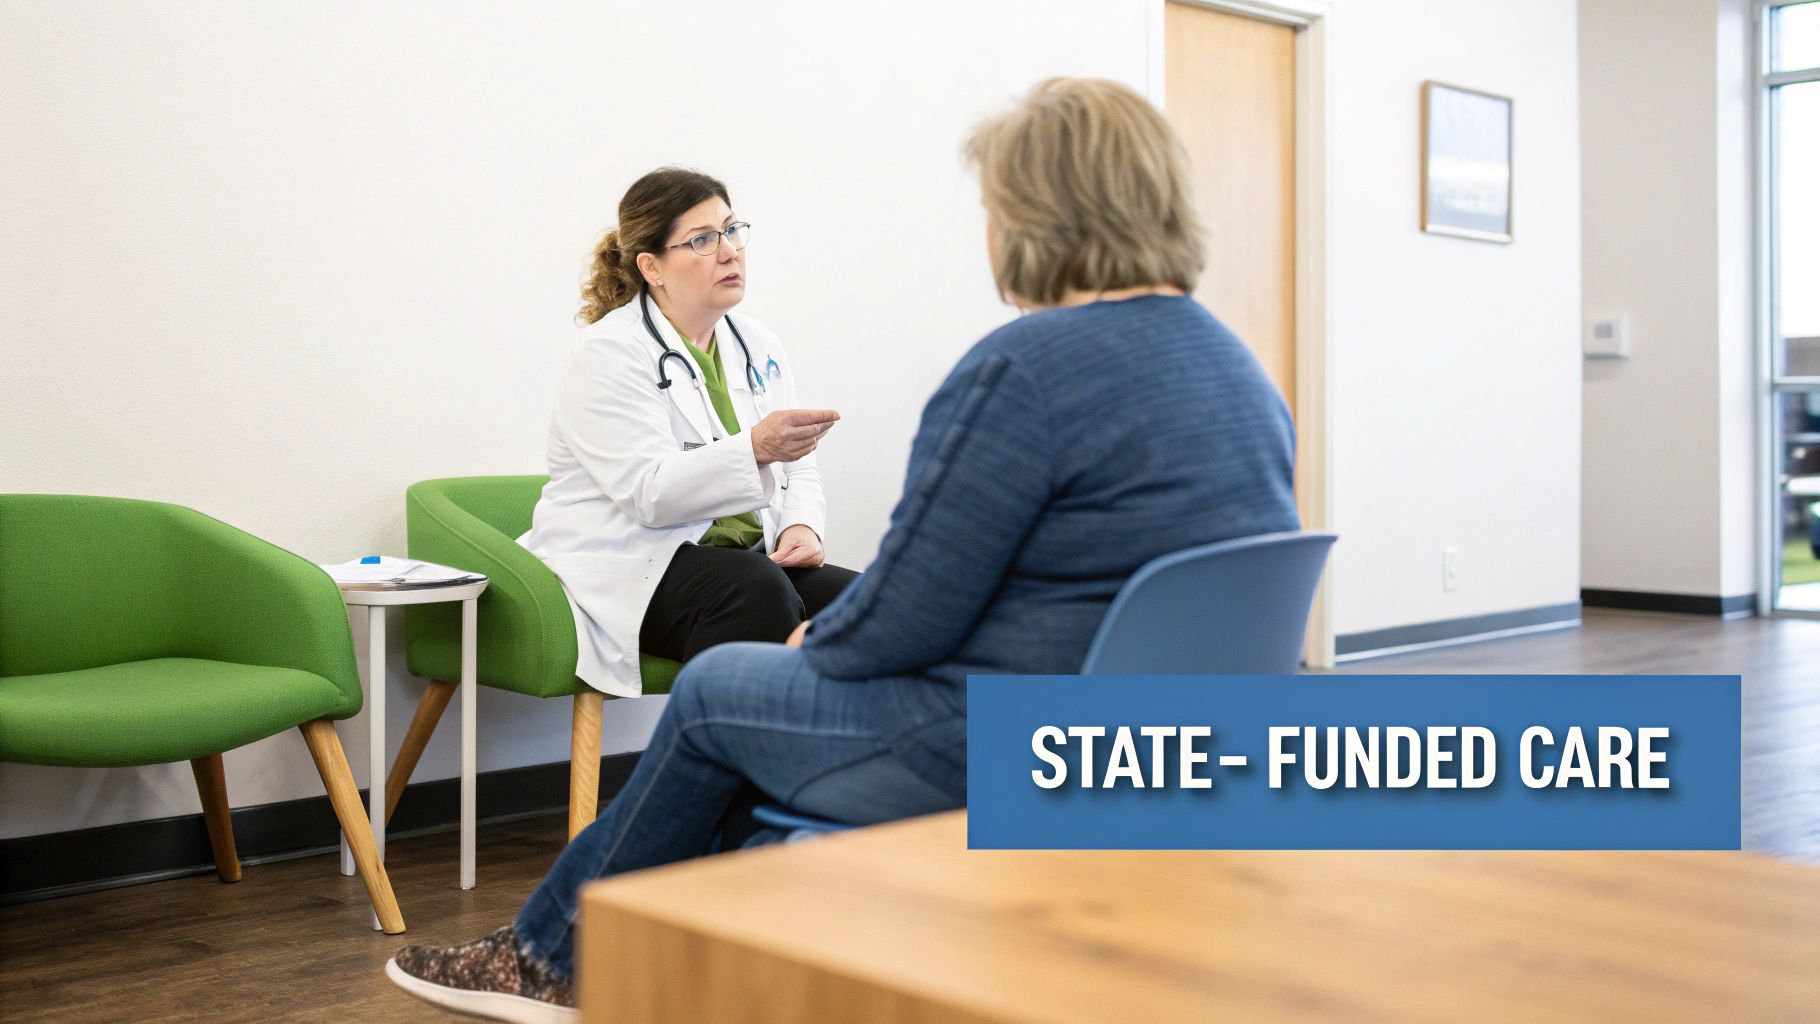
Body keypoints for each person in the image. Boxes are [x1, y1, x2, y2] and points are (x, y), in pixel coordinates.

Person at [386, 77, 1300, 1022]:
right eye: (704, 236)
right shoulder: (1237, 368)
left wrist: (820, 642)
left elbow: (914, 608)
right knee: (759, 657)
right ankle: (722, 946)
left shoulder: (1022, 369)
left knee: (718, 691)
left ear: (1035, 221)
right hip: (1169, 747)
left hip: (1007, 737)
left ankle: (550, 958)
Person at [521, 167, 858, 698]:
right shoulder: (609, 354)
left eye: (731, 230)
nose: (729, 251)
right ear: (651, 266)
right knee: (752, 592)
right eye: (702, 240)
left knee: (865, 607)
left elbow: (799, 466)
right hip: (633, 565)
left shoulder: (757, 344)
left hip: (749, 559)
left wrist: (803, 528)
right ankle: (729, 768)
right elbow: (648, 494)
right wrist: (754, 448)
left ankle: (843, 772)